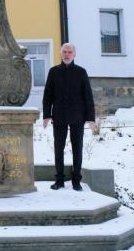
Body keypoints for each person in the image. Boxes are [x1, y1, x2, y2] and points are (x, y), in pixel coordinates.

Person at [42, 43, 96, 191]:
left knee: (77, 148)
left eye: (69, 52)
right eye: (64, 52)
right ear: (61, 54)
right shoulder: (53, 72)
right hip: (59, 116)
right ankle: (59, 180)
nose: (67, 54)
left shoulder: (81, 72)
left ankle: (76, 181)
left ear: (74, 54)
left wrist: (90, 117)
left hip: (77, 116)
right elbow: (48, 95)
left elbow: (88, 96)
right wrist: (46, 115)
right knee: (58, 148)